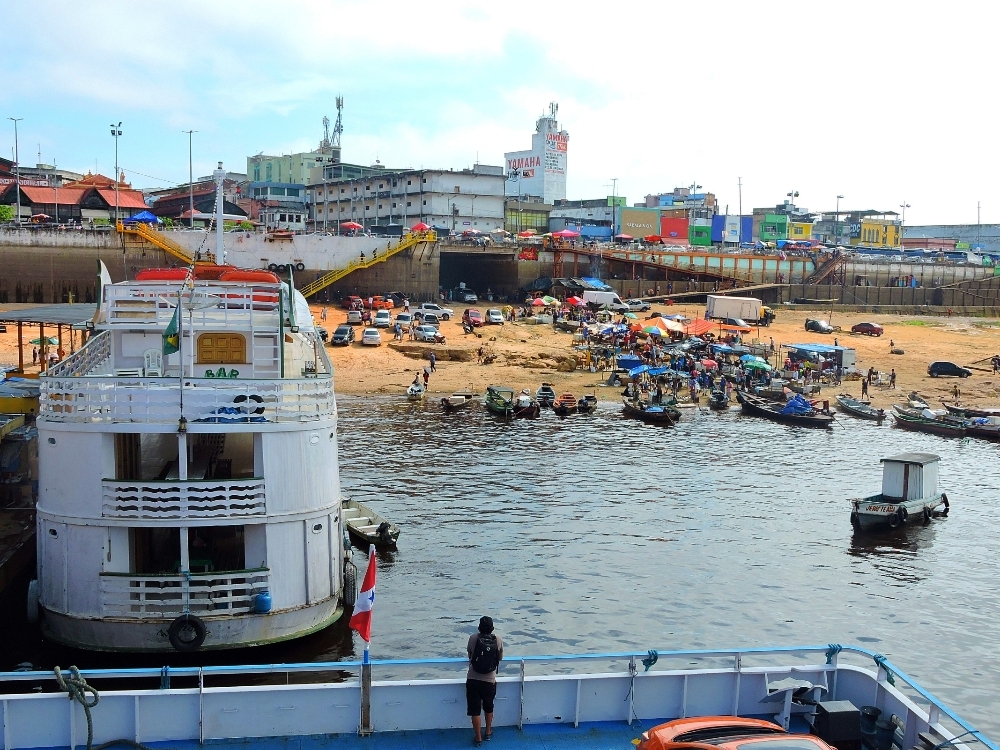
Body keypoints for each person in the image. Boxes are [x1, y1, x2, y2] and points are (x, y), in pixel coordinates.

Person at [467, 616, 503, 746]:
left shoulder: (473, 638)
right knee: (488, 706)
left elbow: (470, 655)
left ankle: (478, 738)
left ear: (479, 627)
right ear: (492, 628)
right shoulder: (497, 639)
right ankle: (488, 732)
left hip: (473, 679)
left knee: (475, 710)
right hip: (489, 680)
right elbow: (500, 657)